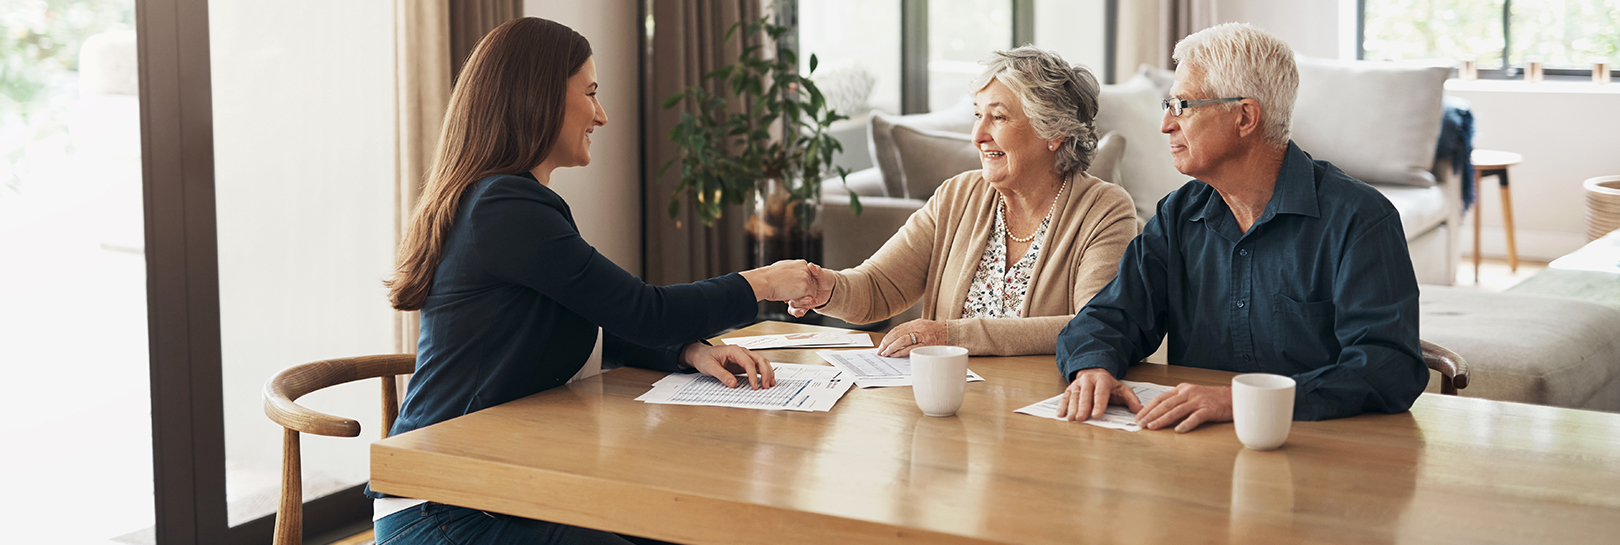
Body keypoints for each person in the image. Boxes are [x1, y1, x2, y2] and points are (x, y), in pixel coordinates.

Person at [373, 17, 815, 545]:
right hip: (446, 508)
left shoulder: (502, 201)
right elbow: (645, 310)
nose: (601, 116)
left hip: (495, 490)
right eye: (590, 94)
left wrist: (686, 351)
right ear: (537, 98)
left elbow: (590, 314)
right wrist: (763, 282)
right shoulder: (505, 207)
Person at [1052, 23, 1426, 432]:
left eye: (1182, 106)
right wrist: (1091, 368)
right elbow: (1108, 317)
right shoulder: (1179, 216)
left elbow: (1389, 367)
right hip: (1197, 454)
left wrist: (1243, 401)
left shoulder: (1360, 220)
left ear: (1245, 116)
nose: (1165, 124)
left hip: (1323, 455)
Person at [788, 47, 1138, 357]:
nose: (977, 136)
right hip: (948, 401)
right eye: (977, 115)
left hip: (1042, 404)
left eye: (998, 117)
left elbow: (1094, 324)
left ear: (1054, 132)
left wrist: (950, 335)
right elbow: (880, 287)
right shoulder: (957, 196)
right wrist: (827, 288)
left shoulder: (1104, 209)